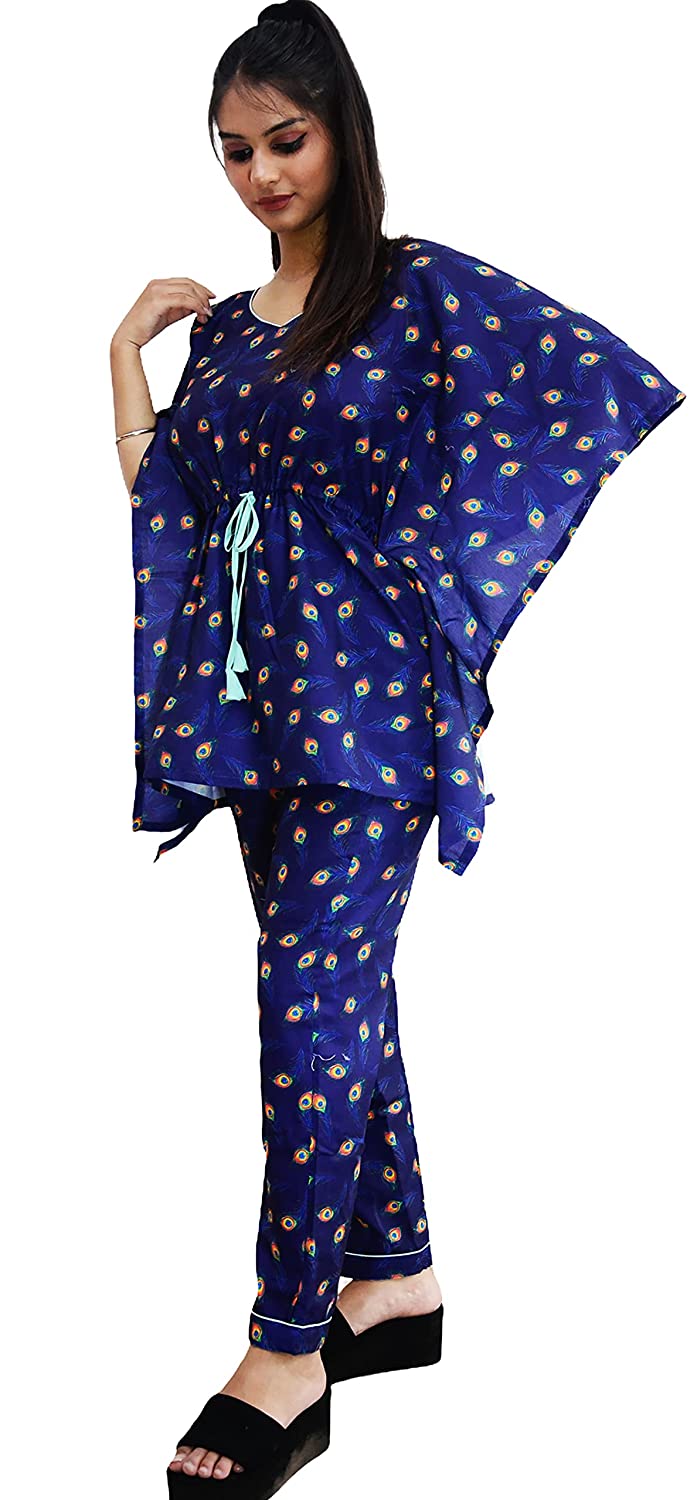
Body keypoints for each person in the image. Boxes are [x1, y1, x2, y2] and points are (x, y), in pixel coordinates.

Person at [109, 3, 686, 1493]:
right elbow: (170, 504)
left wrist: (445, 589)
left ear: (342, 133)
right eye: (233, 150)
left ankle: (286, 1347)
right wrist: (123, 357)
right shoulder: (227, 336)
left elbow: (591, 388)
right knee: (336, 990)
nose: (260, 173)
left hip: (369, 710)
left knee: (304, 1000)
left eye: (284, 140)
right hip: (252, 710)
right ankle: (397, 1277)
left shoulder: (417, 292)